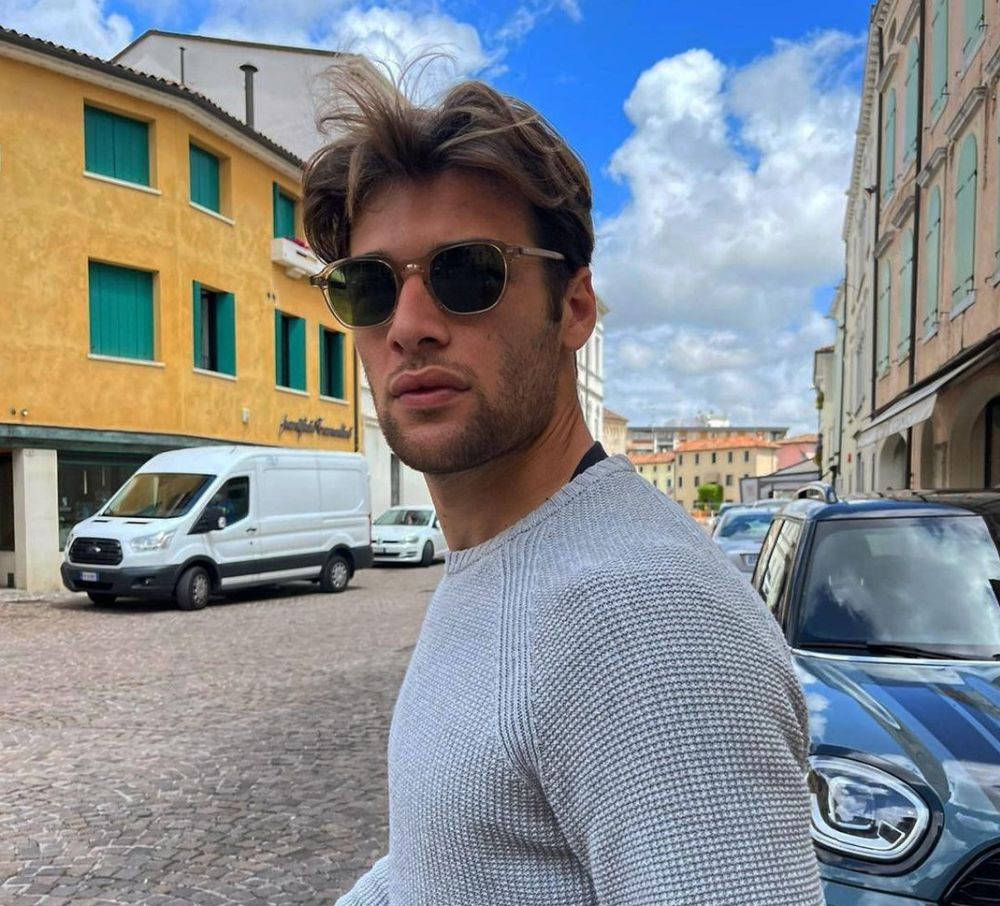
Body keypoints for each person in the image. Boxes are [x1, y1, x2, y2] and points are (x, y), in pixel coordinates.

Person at [303, 69, 823, 906]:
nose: (408, 326)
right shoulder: (501, 557)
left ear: (574, 307)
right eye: (369, 286)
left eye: (467, 274)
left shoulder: (645, 620)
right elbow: (444, 866)